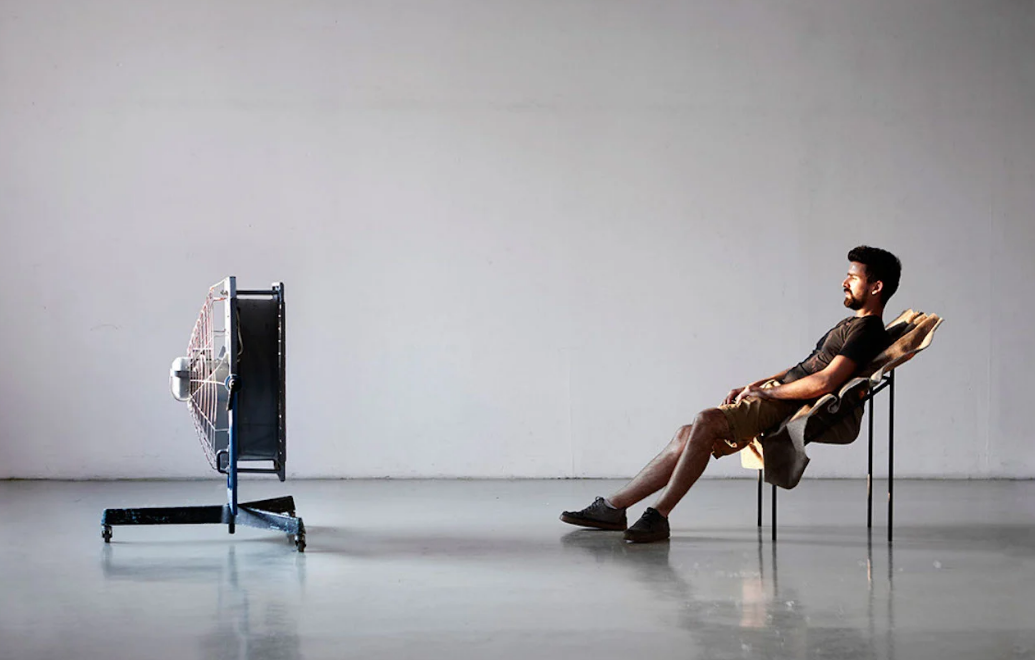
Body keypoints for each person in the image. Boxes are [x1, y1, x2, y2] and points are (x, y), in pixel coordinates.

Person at [560, 246, 902, 543]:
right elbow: (804, 367)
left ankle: (658, 515)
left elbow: (825, 382)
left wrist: (769, 394)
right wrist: (755, 385)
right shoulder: (849, 324)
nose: (844, 282)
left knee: (705, 420)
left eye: (852, 277)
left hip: (788, 404)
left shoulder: (868, 330)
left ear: (876, 287)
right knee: (686, 434)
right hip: (779, 395)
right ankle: (614, 508)